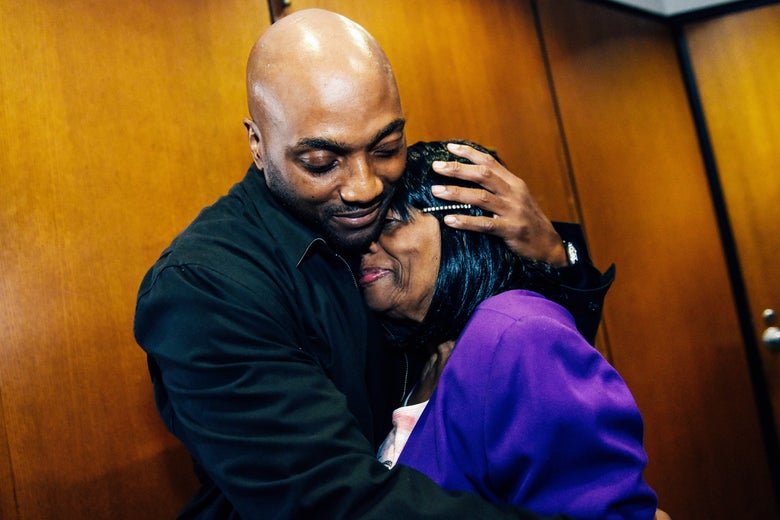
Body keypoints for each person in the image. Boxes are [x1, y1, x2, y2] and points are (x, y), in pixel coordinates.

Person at [134, 9, 612, 519]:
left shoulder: (390, 213)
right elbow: (337, 504)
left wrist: (558, 258)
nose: (365, 188)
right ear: (258, 144)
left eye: (386, 148)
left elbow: (535, 384)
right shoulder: (206, 289)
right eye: (322, 163)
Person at [362, 140, 658, 519]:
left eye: (388, 223)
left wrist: (558, 257)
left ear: (466, 224)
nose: (366, 245)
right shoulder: (411, 358)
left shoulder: (520, 333)